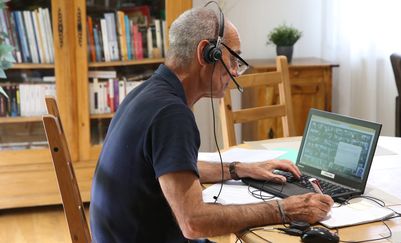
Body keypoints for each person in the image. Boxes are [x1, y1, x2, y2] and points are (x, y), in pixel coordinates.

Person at [90, 6, 334, 243]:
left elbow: (172, 167)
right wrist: (285, 209)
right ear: (207, 53)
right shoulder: (171, 114)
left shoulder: (148, 92)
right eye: (234, 58)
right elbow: (194, 223)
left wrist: (239, 169)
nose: (237, 72)